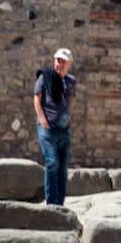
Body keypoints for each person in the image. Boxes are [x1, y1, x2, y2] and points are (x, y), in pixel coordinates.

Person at [33, 48, 80, 205]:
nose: (59, 64)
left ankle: (60, 204)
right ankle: (51, 202)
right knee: (52, 163)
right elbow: (37, 99)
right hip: (47, 130)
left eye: (63, 61)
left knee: (63, 168)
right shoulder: (45, 77)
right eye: (58, 60)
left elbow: (72, 99)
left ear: (69, 64)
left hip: (63, 130)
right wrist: (43, 121)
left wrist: (66, 115)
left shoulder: (71, 81)